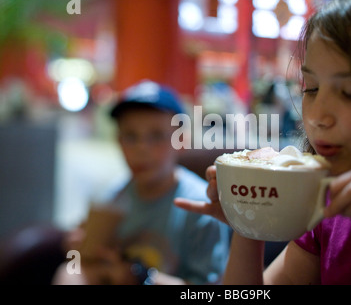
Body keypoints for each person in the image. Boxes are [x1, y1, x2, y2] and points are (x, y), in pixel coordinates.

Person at [175, 0, 351, 284]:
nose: (317, 117)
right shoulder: (326, 203)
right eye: (311, 89)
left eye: (349, 92)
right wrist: (247, 224)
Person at [53, 79, 230, 285]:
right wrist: (80, 249)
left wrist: (141, 277)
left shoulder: (202, 208)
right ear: (118, 141)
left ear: (181, 140)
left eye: (156, 136)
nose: (141, 148)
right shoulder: (111, 200)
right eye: (130, 136)